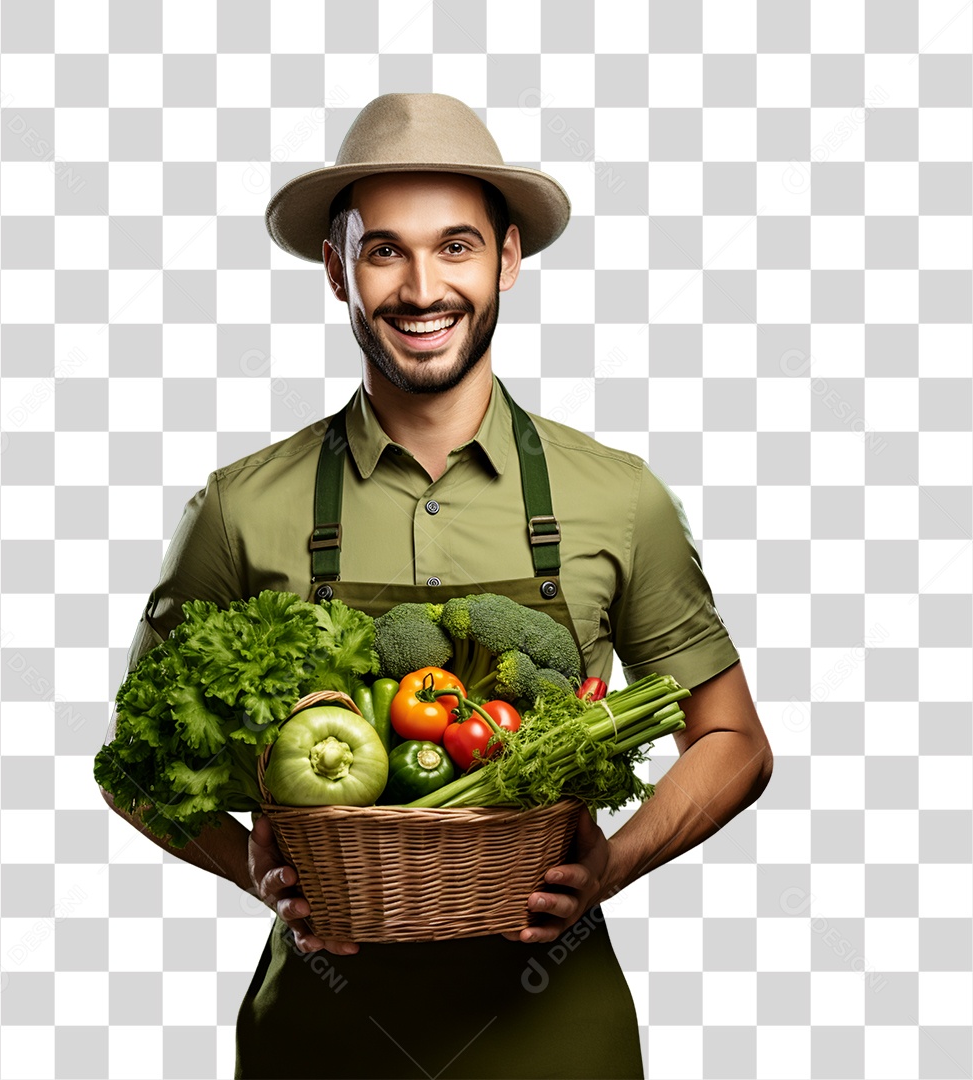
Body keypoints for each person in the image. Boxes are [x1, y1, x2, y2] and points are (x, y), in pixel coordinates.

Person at [101, 93, 773, 1079]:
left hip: (560, 1040)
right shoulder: (242, 506)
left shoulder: (616, 497)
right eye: (385, 251)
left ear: (507, 258)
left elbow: (733, 739)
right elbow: (138, 761)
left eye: (455, 247)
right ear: (338, 269)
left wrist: (613, 866)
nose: (423, 288)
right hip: (316, 1040)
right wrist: (244, 864)